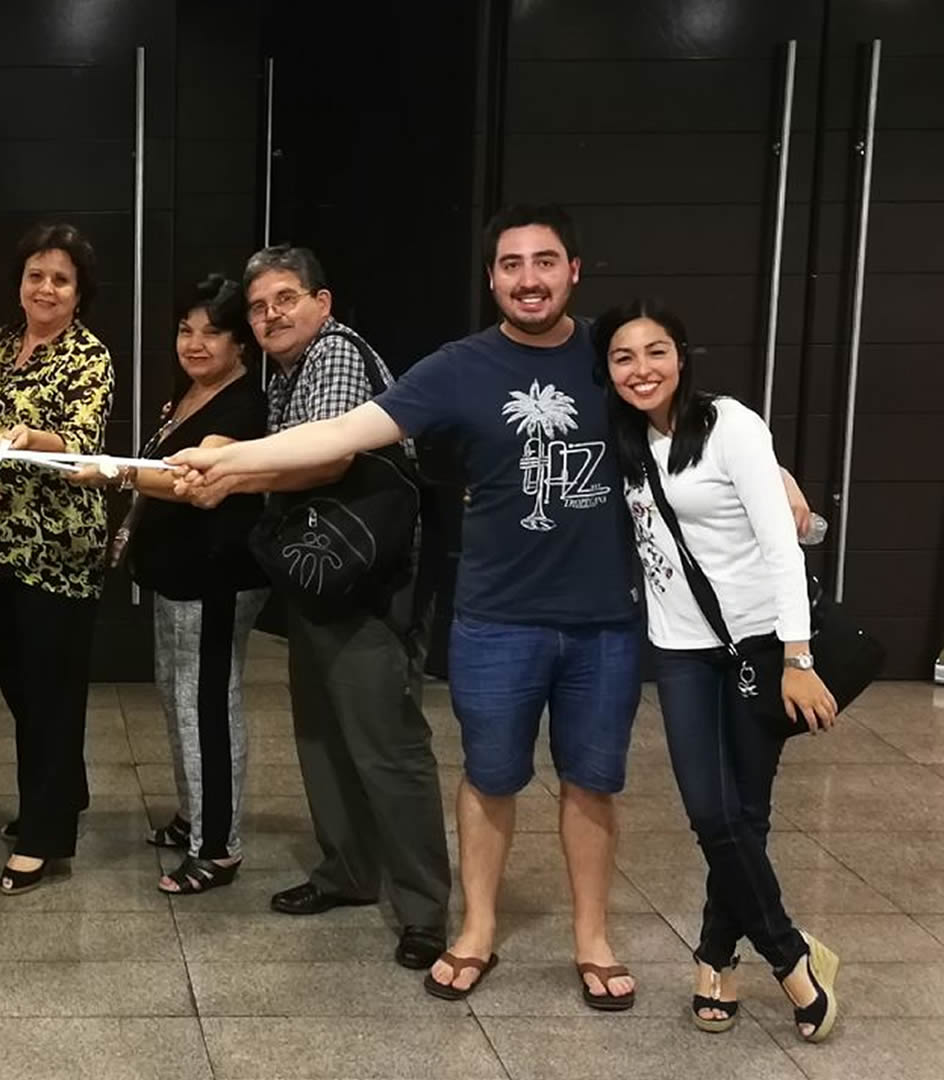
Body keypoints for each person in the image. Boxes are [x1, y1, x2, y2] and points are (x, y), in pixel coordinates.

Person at [173, 207, 644, 1008]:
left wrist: (768, 469)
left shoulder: (613, 351)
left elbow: (689, 414)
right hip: (493, 615)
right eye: (511, 264)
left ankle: (587, 939)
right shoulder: (459, 366)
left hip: (596, 618)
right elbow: (344, 433)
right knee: (485, 778)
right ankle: (471, 930)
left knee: (589, 783)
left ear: (574, 269)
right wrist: (233, 459)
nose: (529, 278)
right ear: (491, 278)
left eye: (545, 261)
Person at [191, 248, 452, 966]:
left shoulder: (334, 353)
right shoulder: (287, 372)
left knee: (386, 745)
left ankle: (424, 910)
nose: (270, 316)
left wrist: (231, 470)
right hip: (322, 575)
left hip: (370, 583)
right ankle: (348, 872)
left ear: (322, 302)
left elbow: (327, 458)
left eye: (286, 299)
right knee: (321, 732)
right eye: (257, 307)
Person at [597, 299, 840, 1042]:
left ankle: (716, 957)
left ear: (682, 356)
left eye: (656, 352)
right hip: (678, 649)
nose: (642, 369)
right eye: (623, 357)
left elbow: (781, 547)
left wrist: (797, 658)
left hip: (759, 646)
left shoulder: (730, 425)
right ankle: (791, 956)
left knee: (746, 814)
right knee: (712, 812)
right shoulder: (621, 439)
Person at [68, 274, 268, 895]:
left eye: (213, 333)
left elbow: (192, 479)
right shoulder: (188, 394)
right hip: (176, 575)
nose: (195, 344)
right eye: (186, 330)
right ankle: (194, 816)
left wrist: (113, 471)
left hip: (216, 576)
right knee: (179, 698)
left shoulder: (243, 404)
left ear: (240, 343)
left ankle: (218, 847)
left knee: (207, 706)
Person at [0, 222, 114, 895]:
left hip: (58, 551)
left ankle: (45, 833)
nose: (45, 288)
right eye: (36, 275)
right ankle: (61, 793)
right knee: (20, 686)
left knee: (51, 694)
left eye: (60, 280)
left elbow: (81, 442)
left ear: (79, 292)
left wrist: (31, 438)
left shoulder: (88, 356)